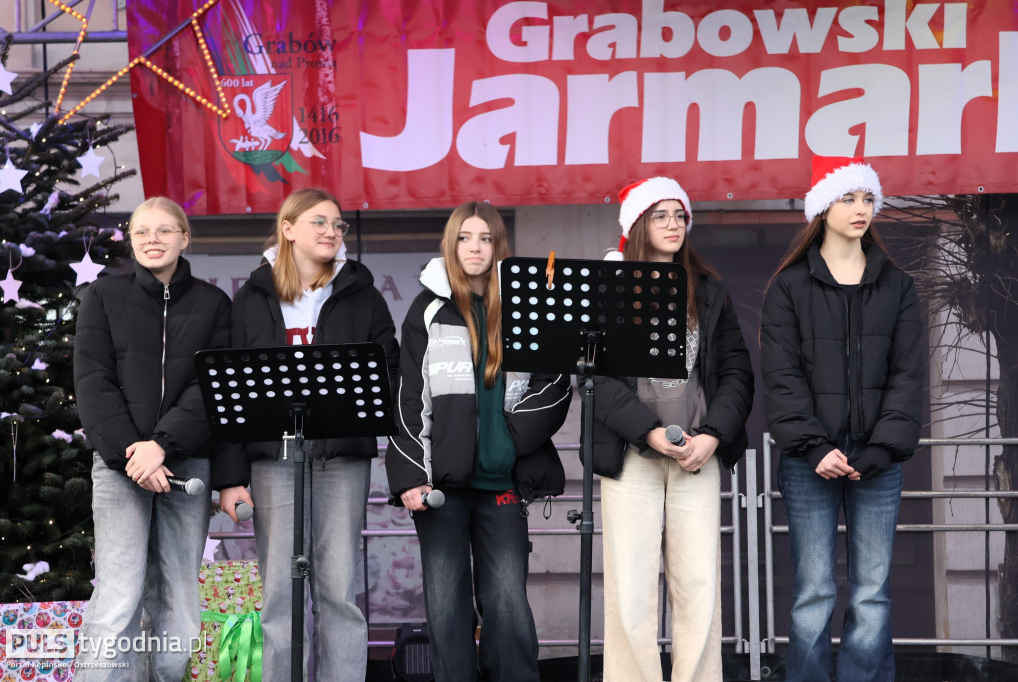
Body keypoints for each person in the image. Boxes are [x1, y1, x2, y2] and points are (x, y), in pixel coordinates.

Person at [215, 188, 399, 680]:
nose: (332, 233)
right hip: (274, 458)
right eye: (319, 222)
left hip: (342, 457)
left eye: (338, 225)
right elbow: (228, 395)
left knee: (339, 591)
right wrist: (231, 478)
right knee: (279, 592)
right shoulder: (252, 296)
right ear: (288, 228)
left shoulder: (363, 293)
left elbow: (390, 371)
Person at [385, 201, 572, 682]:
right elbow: (408, 397)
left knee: (507, 601)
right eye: (465, 237)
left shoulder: (525, 305)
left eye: (485, 238)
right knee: (446, 607)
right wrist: (410, 476)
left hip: (502, 483)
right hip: (440, 488)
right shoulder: (426, 310)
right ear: (451, 244)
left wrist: (507, 442)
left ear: (498, 247)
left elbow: (554, 384)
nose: (475, 247)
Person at [761, 156, 924, 682]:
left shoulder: (897, 286)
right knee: (813, 591)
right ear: (821, 208)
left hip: (878, 462)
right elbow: (781, 377)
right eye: (848, 198)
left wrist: (882, 448)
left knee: (872, 591)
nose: (861, 209)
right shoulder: (789, 287)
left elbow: (907, 374)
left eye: (868, 199)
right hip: (810, 462)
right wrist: (812, 447)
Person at [591, 177, 754, 682]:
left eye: (679, 215)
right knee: (631, 591)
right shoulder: (610, 289)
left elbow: (736, 373)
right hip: (633, 457)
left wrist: (713, 436)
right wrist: (650, 433)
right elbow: (597, 382)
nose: (672, 224)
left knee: (699, 586)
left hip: (696, 457)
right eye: (660, 215)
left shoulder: (707, 291)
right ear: (638, 224)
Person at [73, 197, 232, 680]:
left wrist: (161, 445)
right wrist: (134, 455)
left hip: (186, 465)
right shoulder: (102, 296)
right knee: (120, 591)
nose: (152, 240)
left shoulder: (213, 303)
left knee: (179, 594)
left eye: (165, 231)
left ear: (185, 238)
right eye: (142, 231)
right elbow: (93, 382)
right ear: (131, 239)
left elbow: (211, 388)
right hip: (120, 466)